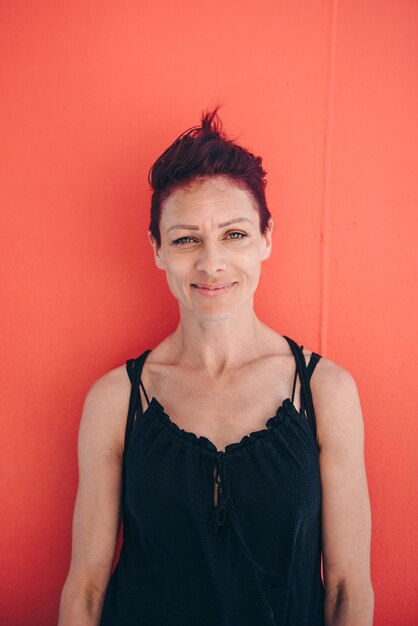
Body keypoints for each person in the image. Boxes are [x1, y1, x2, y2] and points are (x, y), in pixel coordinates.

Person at [57, 108, 374, 626]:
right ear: (157, 249)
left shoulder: (327, 391)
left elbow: (346, 590)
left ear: (267, 237)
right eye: (185, 239)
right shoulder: (115, 400)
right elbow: (87, 589)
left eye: (234, 235)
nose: (211, 263)